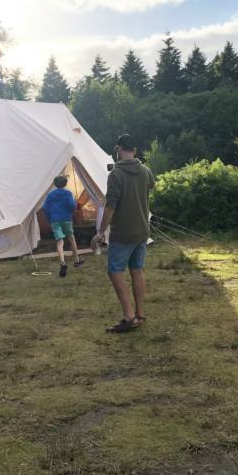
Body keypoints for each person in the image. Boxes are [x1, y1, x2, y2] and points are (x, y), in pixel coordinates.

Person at [94, 134, 154, 333]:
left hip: (123, 232)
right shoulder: (146, 171)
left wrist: (101, 232)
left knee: (114, 271)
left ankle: (128, 316)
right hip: (142, 230)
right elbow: (149, 189)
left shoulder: (116, 175)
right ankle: (140, 314)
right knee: (137, 270)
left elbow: (110, 206)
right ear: (134, 150)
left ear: (118, 149)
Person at [42, 175, 84, 277]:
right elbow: (72, 205)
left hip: (55, 220)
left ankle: (63, 262)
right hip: (66, 219)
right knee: (71, 238)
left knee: (59, 241)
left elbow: (45, 208)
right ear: (65, 183)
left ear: (55, 184)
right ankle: (77, 260)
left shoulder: (51, 195)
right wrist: (69, 212)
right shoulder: (68, 193)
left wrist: (49, 218)